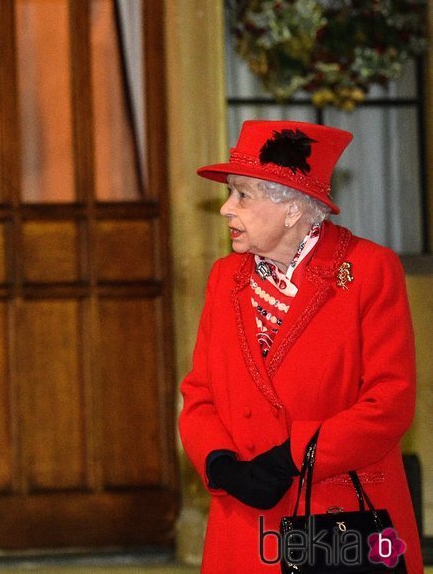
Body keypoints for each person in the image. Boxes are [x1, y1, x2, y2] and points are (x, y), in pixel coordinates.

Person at [179, 120, 423, 572]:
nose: (226, 210)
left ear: (291, 207)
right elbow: (200, 394)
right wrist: (220, 464)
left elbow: (389, 402)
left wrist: (292, 456)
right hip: (244, 522)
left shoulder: (369, 270)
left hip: (339, 514)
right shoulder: (224, 277)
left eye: (242, 194)